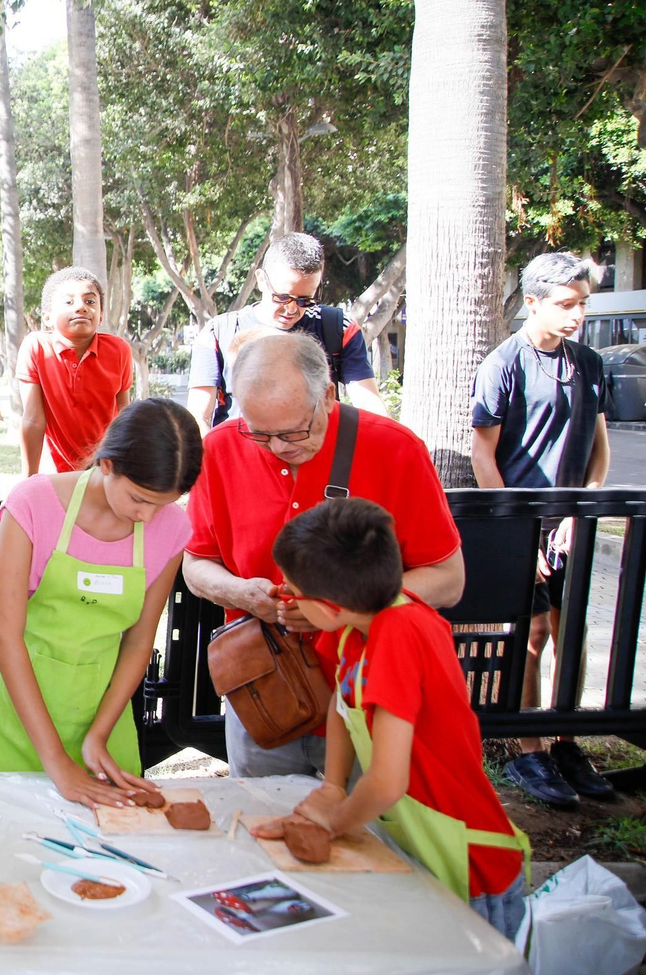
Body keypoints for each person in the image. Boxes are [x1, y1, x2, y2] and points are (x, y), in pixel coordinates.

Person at [183, 332, 465, 777]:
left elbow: (448, 579)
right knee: (261, 826)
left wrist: (338, 607)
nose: (279, 447)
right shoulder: (219, 448)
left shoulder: (395, 448)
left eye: (295, 431)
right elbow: (195, 564)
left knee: (369, 835)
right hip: (264, 691)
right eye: (260, 434)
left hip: (371, 692)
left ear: (329, 395)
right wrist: (243, 593)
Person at [253, 500, 530, 941]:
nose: (287, 599)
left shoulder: (400, 637)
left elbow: (386, 782)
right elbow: (342, 706)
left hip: (469, 863)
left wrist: (333, 824)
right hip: (415, 840)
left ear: (327, 605)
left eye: (291, 593)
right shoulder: (358, 624)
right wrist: (332, 787)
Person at [0, 399, 203, 808]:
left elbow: (138, 643)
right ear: (107, 464)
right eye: (139, 499)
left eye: (162, 504)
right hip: (17, 716)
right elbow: (5, 636)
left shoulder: (172, 529)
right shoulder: (33, 505)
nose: (148, 517)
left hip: (102, 718)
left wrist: (98, 734)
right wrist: (57, 761)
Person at [471, 252, 612, 805]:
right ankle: (528, 749)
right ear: (532, 302)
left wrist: (584, 508)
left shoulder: (589, 363)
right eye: (566, 304)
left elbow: (597, 446)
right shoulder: (504, 363)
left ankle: (565, 741)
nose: (576, 314)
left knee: (568, 634)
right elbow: (484, 455)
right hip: (522, 524)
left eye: (582, 304)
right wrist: (514, 532)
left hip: (571, 524)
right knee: (528, 637)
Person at [187, 233, 388, 433]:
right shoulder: (218, 333)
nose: (292, 309)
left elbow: (371, 409)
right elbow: (199, 419)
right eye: (282, 297)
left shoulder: (338, 329)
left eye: (304, 300)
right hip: (241, 460)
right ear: (261, 280)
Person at [17, 266, 134, 475]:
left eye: (90, 301)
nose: (81, 307)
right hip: (55, 472)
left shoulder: (119, 350)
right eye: (69, 302)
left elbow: (123, 413)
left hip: (106, 468)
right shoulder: (36, 347)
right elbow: (33, 420)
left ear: (101, 316)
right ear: (47, 317)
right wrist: (28, 481)